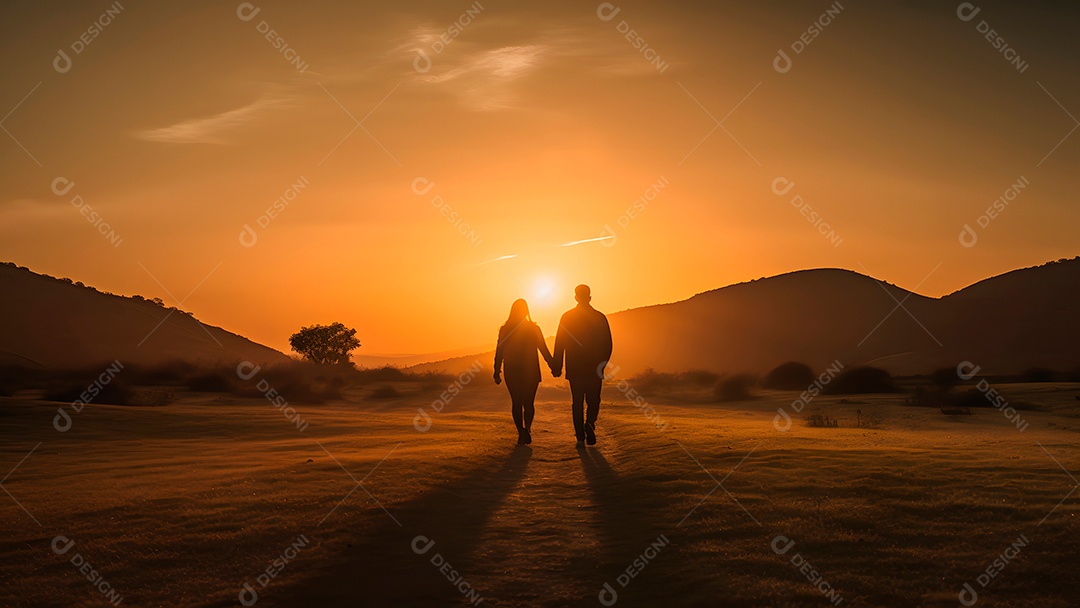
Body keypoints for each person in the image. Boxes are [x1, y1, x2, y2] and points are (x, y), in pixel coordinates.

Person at [551, 285, 612, 446]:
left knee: (577, 402)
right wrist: (602, 365)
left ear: (576, 297)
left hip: (575, 368)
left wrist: (557, 366)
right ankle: (590, 424)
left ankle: (580, 437)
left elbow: (560, 343)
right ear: (589, 297)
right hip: (594, 368)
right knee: (594, 401)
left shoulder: (567, 317)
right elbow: (608, 345)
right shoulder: (599, 317)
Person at [494, 299, 554, 445]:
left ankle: (522, 431)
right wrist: (553, 365)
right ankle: (527, 429)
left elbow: (500, 351)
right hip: (531, 370)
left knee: (517, 402)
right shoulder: (533, 328)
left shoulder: (505, 329)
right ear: (526, 311)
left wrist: (497, 370)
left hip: (512, 370)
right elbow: (543, 349)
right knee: (528, 403)